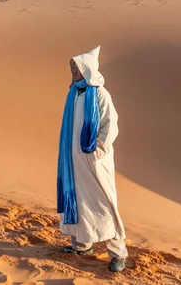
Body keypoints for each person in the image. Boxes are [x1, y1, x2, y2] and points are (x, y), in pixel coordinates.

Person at [57, 46, 127, 273]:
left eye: (77, 68)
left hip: (95, 162)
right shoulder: (74, 94)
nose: (74, 72)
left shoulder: (100, 94)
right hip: (74, 162)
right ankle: (82, 245)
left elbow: (110, 126)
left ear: (87, 70)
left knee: (104, 202)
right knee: (78, 199)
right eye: (73, 68)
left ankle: (118, 252)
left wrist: (97, 151)